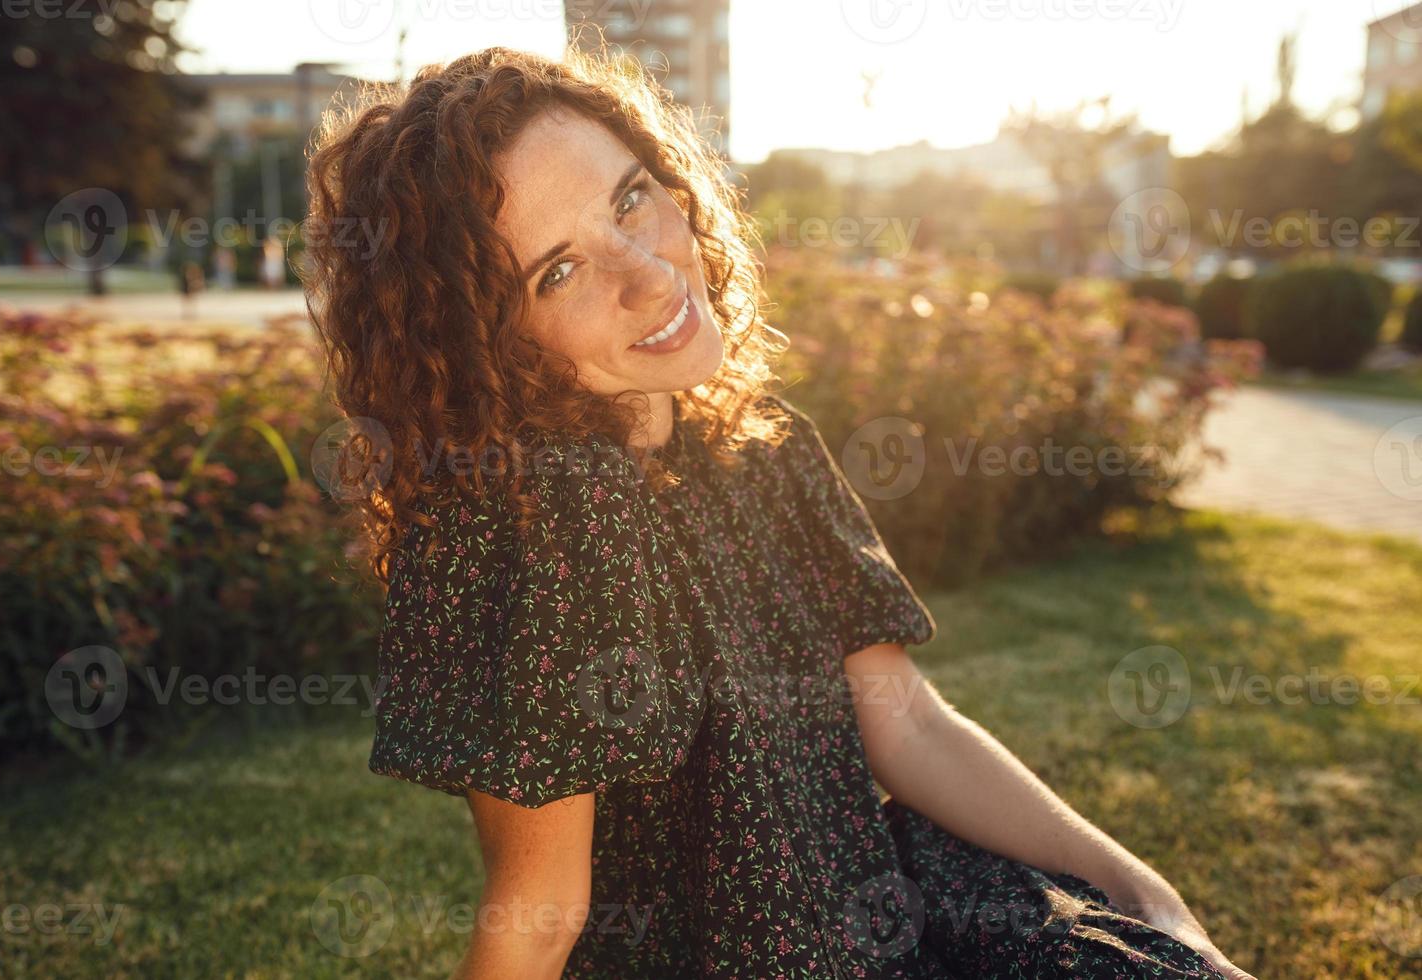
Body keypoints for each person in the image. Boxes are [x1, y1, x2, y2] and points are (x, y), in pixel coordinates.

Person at [302, 46, 1253, 980]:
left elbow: (907, 724)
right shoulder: (547, 520)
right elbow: (541, 913)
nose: (649, 272)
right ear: (482, 343)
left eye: (631, 198)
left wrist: (1144, 895)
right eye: (558, 271)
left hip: (890, 911)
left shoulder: (766, 444)